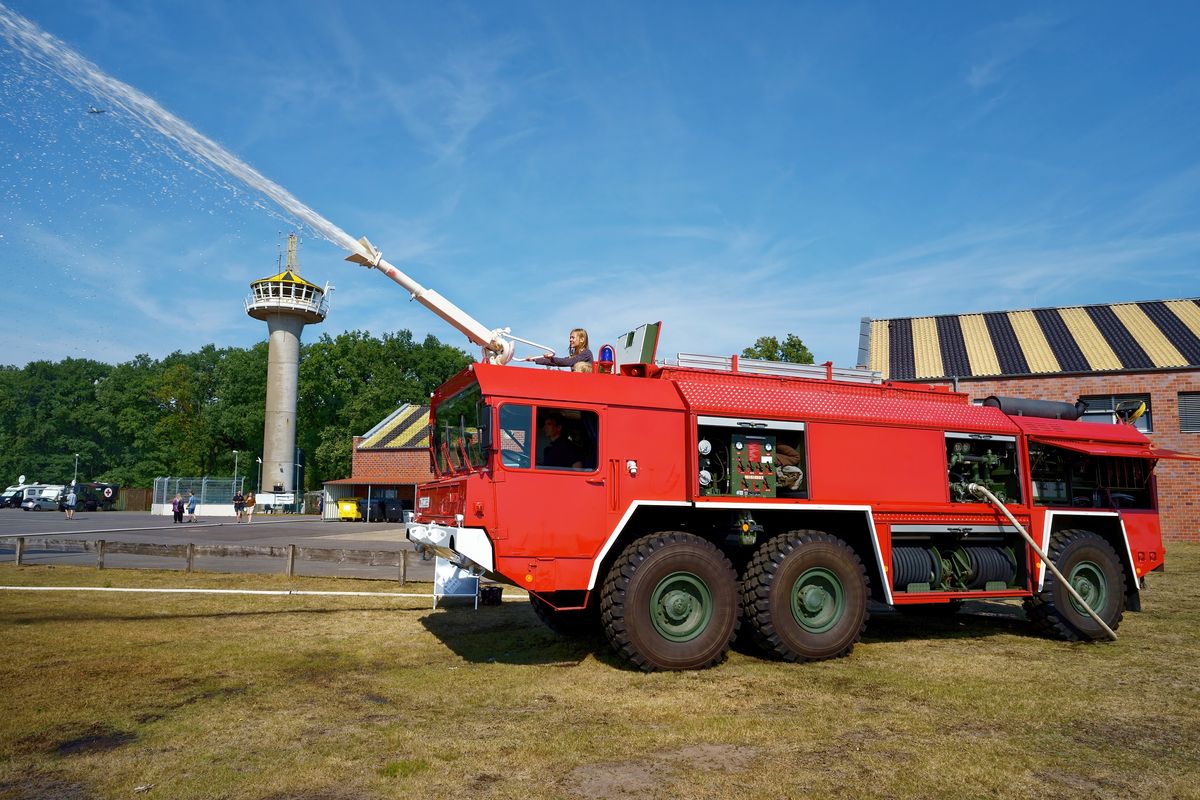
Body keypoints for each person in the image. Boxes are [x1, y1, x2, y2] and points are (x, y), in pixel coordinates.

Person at [524, 328, 593, 369]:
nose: (570, 340)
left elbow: (569, 362)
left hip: (586, 382)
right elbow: (560, 362)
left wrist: (551, 358)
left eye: (573, 337)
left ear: (581, 339)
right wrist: (534, 359)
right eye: (570, 337)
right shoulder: (574, 356)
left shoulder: (586, 353)